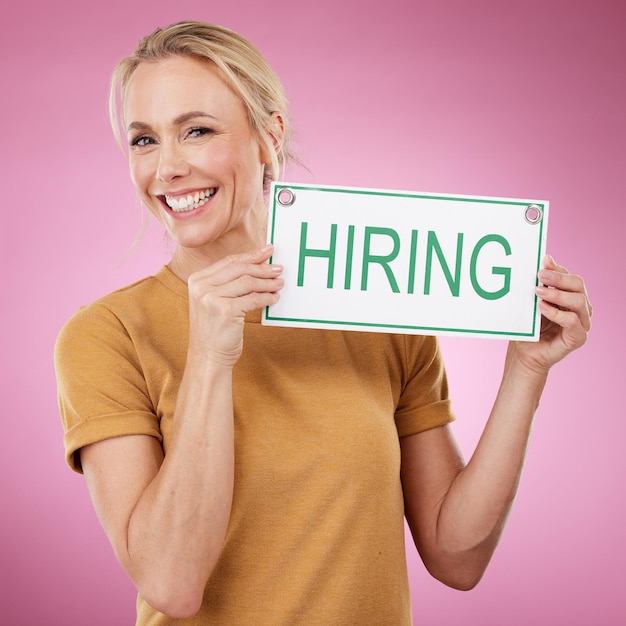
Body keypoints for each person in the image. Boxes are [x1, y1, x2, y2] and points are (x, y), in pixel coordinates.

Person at [54, 21, 592, 626]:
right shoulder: (108, 335)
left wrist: (526, 370)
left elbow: (455, 555)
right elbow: (172, 586)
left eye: (197, 131)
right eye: (144, 140)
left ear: (269, 136)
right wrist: (209, 356)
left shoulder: (379, 306)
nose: (167, 167)